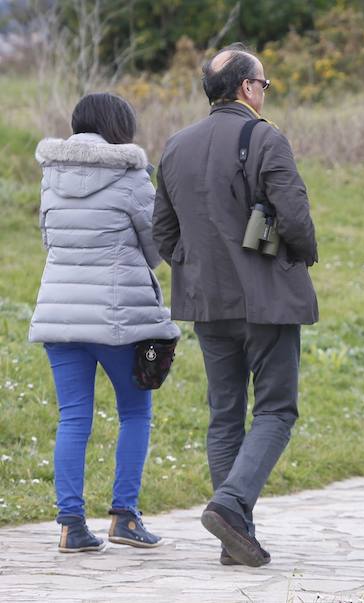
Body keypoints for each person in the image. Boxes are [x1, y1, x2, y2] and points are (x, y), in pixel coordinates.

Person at [153, 43, 318, 568]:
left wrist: (194, 264)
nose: (265, 93)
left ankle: (234, 537)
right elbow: (292, 214)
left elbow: (163, 231)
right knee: (275, 409)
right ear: (248, 88)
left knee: (224, 414)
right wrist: (304, 254)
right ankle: (230, 505)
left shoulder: (175, 145)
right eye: (264, 84)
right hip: (265, 300)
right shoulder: (265, 136)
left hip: (206, 303)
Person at [31, 92, 180, 553]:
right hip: (121, 319)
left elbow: (47, 238)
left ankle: (71, 526)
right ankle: (124, 517)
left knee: (73, 418)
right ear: (120, 128)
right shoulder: (131, 177)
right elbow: (157, 248)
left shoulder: (50, 177)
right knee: (135, 412)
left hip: (60, 315)